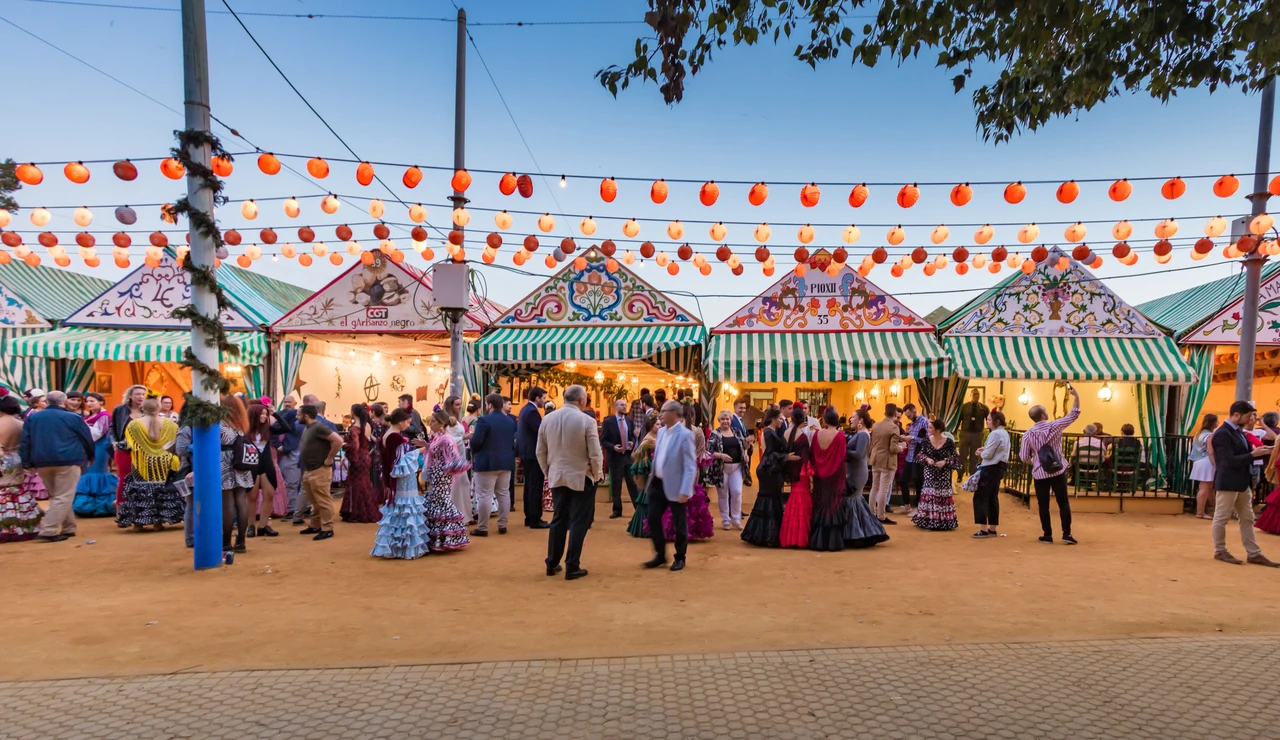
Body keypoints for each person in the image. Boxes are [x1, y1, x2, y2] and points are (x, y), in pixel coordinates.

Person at [537, 385, 602, 581]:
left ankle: (552, 562)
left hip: (557, 475)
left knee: (558, 519)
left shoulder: (547, 419)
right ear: (582, 400)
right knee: (578, 521)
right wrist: (597, 474)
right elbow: (595, 453)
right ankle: (572, 565)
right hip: (581, 476)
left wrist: (548, 471)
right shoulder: (587, 421)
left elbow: (540, 451)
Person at [1210, 401, 1279, 566]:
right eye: (1248, 417)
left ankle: (1253, 553)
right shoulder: (1222, 434)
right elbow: (1226, 461)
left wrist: (1262, 452)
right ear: (1236, 415)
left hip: (1241, 482)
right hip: (1228, 482)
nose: (1251, 420)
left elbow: (1242, 456)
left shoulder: (1237, 432)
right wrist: (1253, 454)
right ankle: (1220, 550)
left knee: (1247, 518)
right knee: (1221, 517)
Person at [19, 391, 93, 542]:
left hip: (42, 461)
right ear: (64, 401)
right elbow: (86, 438)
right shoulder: (73, 417)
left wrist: (26, 462)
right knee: (63, 496)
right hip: (68, 459)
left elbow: (25, 441)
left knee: (58, 496)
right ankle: (48, 530)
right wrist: (91, 455)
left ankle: (69, 527)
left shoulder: (33, 417)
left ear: (47, 401)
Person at [637, 400, 696, 572]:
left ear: (675, 414)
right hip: (658, 483)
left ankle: (680, 557)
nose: (660, 414)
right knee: (653, 519)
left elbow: (690, 465)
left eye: (664, 411)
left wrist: (685, 490)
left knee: (679, 523)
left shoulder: (685, 435)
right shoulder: (661, 432)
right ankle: (660, 554)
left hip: (676, 486)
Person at [1019, 385, 1081, 545]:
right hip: (1058, 470)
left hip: (1040, 474)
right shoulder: (1055, 425)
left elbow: (1024, 456)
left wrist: (1035, 462)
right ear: (1044, 415)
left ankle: (1047, 534)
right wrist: (1076, 396)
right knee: (1063, 502)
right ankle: (1066, 534)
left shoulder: (1028, 435)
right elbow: (1074, 414)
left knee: (1043, 505)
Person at [371, 408, 430, 560]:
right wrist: (420, 451)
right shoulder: (395, 437)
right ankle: (405, 545)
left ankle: (397, 545)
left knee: (399, 508)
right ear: (400, 421)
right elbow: (400, 460)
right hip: (403, 477)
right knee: (406, 507)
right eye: (408, 422)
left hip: (396, 477)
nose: (408, 425)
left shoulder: (387, 435)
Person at [419, 409, 471, 552]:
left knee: (442, 502)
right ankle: (438, 539)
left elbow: (453, 457)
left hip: (441, 476)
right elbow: (438, 452)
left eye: (433, 422)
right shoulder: (439, 437)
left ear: (441, 423)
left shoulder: (446, 439)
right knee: (436, 502)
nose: (430, 424)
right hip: (437, 475)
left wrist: (446, 469)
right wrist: (427, 445)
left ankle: (446, 538)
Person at [471, 393, 516, 536]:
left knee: (484, 495)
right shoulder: (510, 421)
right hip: (506, 461)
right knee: (503, 494)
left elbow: (476, 442)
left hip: (487, 462)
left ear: (489, 405)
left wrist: (473, 448)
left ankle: (483, 527)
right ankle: (503, 524)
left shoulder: (484, 420)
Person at [842, 409, 889, 548]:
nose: (850, 419)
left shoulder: (863, 435)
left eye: (853, 417)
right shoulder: (860, 434)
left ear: (860, 420)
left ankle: (856, 535)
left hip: (857, 472)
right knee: (855, 501)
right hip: (855, 471)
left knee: (852, 500)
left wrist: (841, 448)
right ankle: (862, 532)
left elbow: (858, 454)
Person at [215, 395, 256, 552]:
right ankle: (241, 541)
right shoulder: (241, 423)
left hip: (224, 461)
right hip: (241, 461)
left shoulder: (220, 424)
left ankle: (226, 542)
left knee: (227, 504)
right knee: (241, 501)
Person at [298, 403, 343, 541]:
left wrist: (330, 458)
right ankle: (316, 525)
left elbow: (339, 440)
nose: (296, 416)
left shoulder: (318, 427)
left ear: (306, 416)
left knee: (323, 500)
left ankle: (328, 528)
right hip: (310, 469)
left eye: (298, 414)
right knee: (314, 500)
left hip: (319, 469)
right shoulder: (309, 427)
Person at [0, 396, 42, 542]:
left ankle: (5, 527)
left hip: (2, 459)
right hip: (16, 459)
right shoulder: (20, 424)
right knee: (15, 489)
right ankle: (21, 526)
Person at [808, 407, 851, 551]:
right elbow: (842, 456)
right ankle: (832, 541)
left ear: (824, 420)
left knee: (820, 502)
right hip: (834, 476)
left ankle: (817, 538)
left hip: (819, 476)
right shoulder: (839, 436)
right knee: (832, 504)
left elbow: (813, 453)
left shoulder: (817, 434)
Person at [910, 418, 961, 531]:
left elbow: (955, 458)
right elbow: (919, 455)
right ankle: (929, 520)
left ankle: (943, 521)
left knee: (942, 495)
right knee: (930, 495)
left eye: (930, 428)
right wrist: (927, 459)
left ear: (938, 430)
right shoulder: (926, 441)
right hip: (929, 473)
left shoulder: (948, 442)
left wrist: (945, 462)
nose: (928, 429)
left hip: (944, 474)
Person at [73, 392, 118, 518]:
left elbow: (97, 433)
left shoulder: (104, 416)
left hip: (99, 446)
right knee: (88, 472)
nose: (89, 404)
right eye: (87, 401)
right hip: (89, 446)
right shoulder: (92, 416)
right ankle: (88, 505)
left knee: (96, 472)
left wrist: (84, 428)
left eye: (92, 401)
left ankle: (102, 505)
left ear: (101, 402)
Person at [338, 403, 380, 524]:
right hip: (365, 456)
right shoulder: (367, 425)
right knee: (365, 482)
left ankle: (357, 511)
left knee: (356, 483)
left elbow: (355, 445)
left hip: (358, 457)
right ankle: (367, 510)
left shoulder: (355, 428)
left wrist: (346, 446)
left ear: (352, 413)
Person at [244, 402, 281, 538]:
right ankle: (250, 526)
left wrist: (274, 413)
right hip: (251, 466)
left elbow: (286, 428)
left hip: (266, 465)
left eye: (266, 414)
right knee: (251, 497)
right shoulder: (245, 430)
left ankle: (263, 525)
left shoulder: (268, 429)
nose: (264, 416)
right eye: (262, 414)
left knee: (269, 494)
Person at [707, 410, 747, 531]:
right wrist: (721, 455)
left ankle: (736, 518)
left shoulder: (737, 432)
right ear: (719, 421)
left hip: (736, 467)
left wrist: (745, 454)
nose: (725, 421)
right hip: (721, 468)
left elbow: (743, 446)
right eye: (723, 419)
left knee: (737, 492)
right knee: (723, 494)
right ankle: (726, 520)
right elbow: (709, 452)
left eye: (727, 419)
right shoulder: (715, 434)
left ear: (731, 420)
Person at [779, 407, 813, 548]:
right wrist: (811, 478)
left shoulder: (786, 432)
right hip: (801, 472)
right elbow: (806, 459)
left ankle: (789, 535)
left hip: (790, 471)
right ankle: (799, 537)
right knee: (801, 503)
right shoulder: (803, 436)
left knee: (793, 501)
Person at [972, 410, 1010, 538]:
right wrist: (985, 450)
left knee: (981, 497)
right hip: (999, 467)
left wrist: (980, 453)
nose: (987, 421)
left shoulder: (995, 434)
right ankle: (992, 528)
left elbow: (988, 454)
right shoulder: (1004, 433)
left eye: (988, 419)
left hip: (990, 467)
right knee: (992, 497)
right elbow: (997, 450)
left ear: (996, 421)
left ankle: (983, 529)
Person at [601, 398, 639, 519]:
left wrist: (632, 442)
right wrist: (613, 447)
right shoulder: (608, 422)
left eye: (625, 405)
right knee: (616, 485)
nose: (624, 407)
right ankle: (617, 509)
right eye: (622, 405)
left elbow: (633, 436)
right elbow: (604, 441)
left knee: (632, 483)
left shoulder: (629, 420)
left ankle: (637, 509)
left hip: (628, 457)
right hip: (615, 457)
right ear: (615, 407)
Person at [110, 385, 147, 508]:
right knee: (124, 478)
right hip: (123, 448)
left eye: (143, 394)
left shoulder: (149, 410)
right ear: (130, 396)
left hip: (144, 450)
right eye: (137, 394)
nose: (141, 396)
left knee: (142, 480)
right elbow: (112, 427)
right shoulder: (120, 410)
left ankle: (140, 510)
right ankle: (122, 510)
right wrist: (114, 442)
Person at [517, 386, 549, 529]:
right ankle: (535, 518)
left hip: (526, 452)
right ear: (537, 398)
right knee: (535, 485)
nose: (545, 401)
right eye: (543, 398)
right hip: (532, 453)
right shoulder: (532, 412)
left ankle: (529, 516)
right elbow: (540, 431)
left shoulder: (525, 409)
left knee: (529, 485)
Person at [868, 404, 904, 524]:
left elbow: (873, 443)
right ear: (895, 414)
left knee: (874, 487)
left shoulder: (876, 425)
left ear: (884, 413)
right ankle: (881, 515)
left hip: (875, 458)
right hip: (887, 460)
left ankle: (871, 513)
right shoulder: (894, 427)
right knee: (883, 489)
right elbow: (893, 448)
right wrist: (902, 447)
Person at [627, 416, 658, 538]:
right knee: (646, 498)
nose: (660, 426)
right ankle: (643, 527)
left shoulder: (655, 437)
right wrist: (646, 462)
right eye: (657, 424)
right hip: (648, 471)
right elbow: (636, 453)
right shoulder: (648, 439)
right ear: (651, 426)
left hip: (653, 471)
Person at [899, 404, 929, 514]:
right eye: (907, 416)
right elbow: (913, 439)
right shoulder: (912, 425)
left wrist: (912, 438)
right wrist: (905, 440)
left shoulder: (924, 422)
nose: (908, 418)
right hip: (909, 455)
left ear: (914, 411)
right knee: (903, 479)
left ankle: (918, 508)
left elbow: (928, 439)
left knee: (918, 481)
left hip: (918, 456)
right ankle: (907, 505)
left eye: (909, 415)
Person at [1190, 414, 1219, 520]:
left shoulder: (1199, 434)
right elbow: (1211, 452)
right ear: (1213, 423)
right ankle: (1200, 512)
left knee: (1208, 488)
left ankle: (1216, 510)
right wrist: (1216, 465)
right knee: (1205, 488)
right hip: (1207, 462)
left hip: (1199, 461)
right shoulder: (1210, 436)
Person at [957, 389, 989, 476]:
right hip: (965, 433)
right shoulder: (964, 407)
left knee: (975, 456)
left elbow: (989, 420)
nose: (976, 396)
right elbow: (958, 419)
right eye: (974, 394)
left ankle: (973, 474)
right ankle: (960, 474)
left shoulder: (984, 408)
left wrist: (991, 432)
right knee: (962, 455)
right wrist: (954, 431)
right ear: (970, 395)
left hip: (977, 434)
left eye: (977, 394)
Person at [368, 402, 389, 505]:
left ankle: (379, 497)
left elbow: (377, 440)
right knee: (382, 474)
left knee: (377, 475)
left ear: (373, 412)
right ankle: (383, 497)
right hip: (383, 452)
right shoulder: (384, 422)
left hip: (378, 452)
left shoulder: (375, 424)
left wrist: (370, 436)